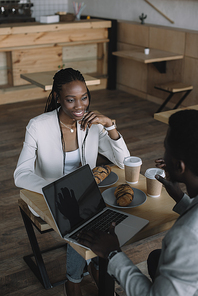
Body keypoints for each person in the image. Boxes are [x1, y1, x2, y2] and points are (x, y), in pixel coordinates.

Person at [14, 68, 130, 296]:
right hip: (50, 196)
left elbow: (124, 162)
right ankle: (80, 278)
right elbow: (20, 174)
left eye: (84, 97)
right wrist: (63, 187)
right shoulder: (38, 125)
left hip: (85, 197)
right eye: (71, 100)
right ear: (57, 98)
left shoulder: (93, 124)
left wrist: (110, 125)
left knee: (105, 214)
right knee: (87, 218)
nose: (80, 106)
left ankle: (88, 271)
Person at [78, 109, 198, 296]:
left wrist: (112, 253)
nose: (164, 154)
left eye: (166, 148)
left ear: (179, 166)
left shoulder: (185, 235)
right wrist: (180, 198)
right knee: (155, 258)